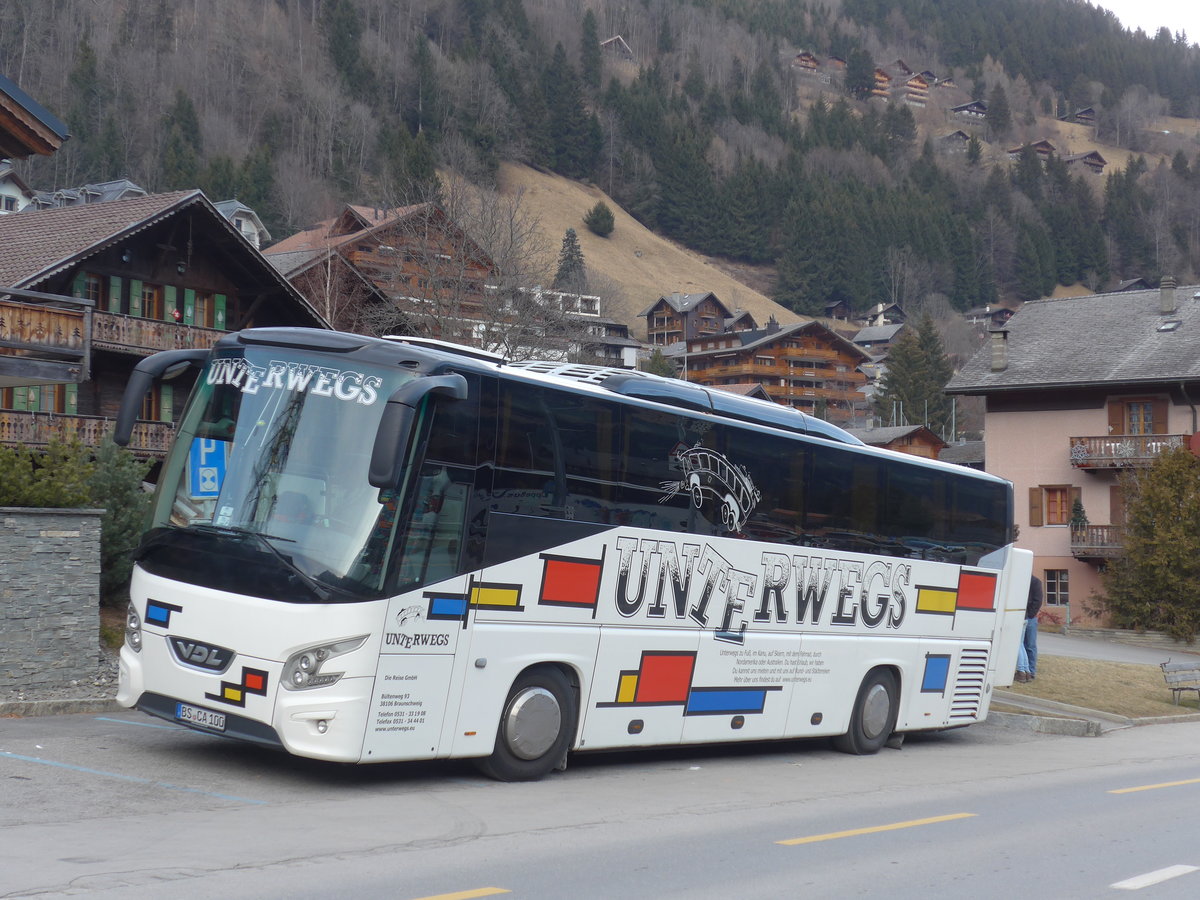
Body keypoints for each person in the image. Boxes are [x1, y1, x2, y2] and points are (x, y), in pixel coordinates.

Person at [1015, 575, 1043, 683]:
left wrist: (1030, 614)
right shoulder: (1020, 579)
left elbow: (1038, 600)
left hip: (1030, 617)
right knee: (1022, 644)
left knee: (1029, 645)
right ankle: (1026, 671)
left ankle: (1029, 671)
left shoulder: (1035, 581)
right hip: (1024, 615)